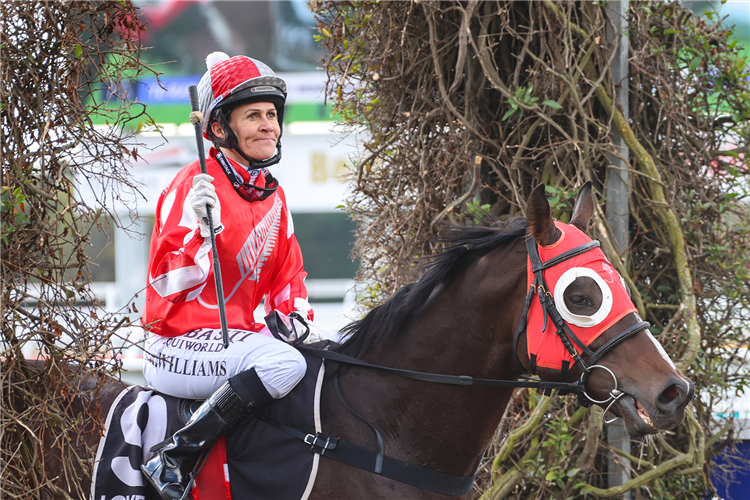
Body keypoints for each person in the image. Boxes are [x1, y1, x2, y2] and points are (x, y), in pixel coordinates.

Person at [139, 52, 316, 499]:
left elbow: (288, 279)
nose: (268, 126)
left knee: (318, 362)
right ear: (219, 129)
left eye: (271, 115)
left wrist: (295, 319)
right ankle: (175, 455)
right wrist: (201, 237)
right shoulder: (193, 184)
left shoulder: (274, 198)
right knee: (284, 364)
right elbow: (164, 287)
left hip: (234, 340)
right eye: (252, 115)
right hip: (174, 341)